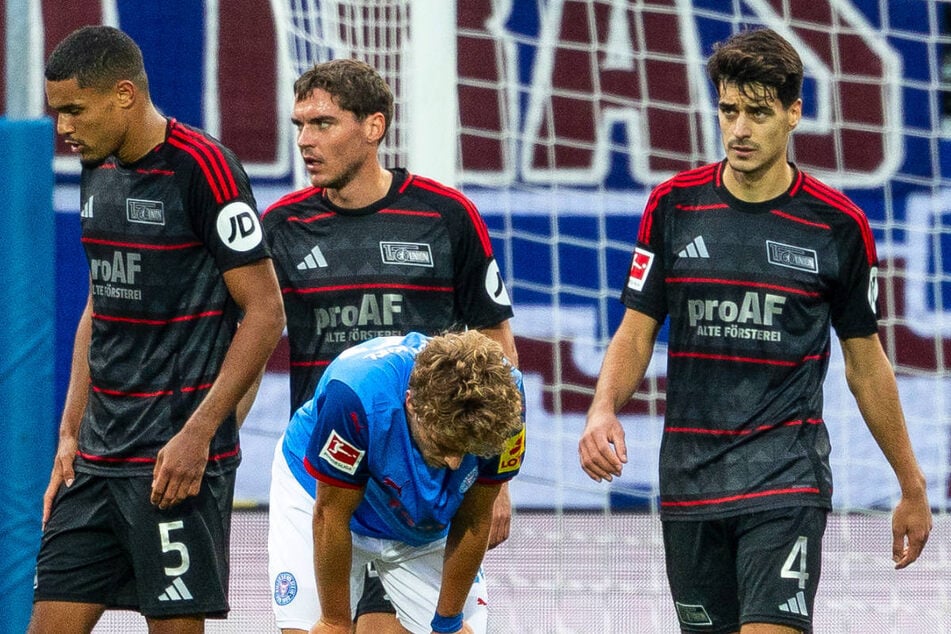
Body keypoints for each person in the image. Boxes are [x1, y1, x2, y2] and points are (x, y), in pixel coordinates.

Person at [578, 27, 932, 634]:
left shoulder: (837, 225)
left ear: (795, 114)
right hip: (689, 482)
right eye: (728, 110)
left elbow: (866, 362)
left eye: (758, 113)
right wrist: (602, 408)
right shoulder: (673, 206)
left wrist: (911, 483)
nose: (739, 129)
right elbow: (637, 329)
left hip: (785, 480)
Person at [31, 25, 285, 633]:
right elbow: (101, 306)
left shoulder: (206, 168)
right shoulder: (100, 164)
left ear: (123, 94)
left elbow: (266, 312)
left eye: (73, 109)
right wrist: (69, 433)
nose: (62, 128)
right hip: (94, 463)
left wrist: (199, 435)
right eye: (56, 112)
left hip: (174, 465)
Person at [260, 58, 518, 633]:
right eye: (299, 124)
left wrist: (496, 482)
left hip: (425, 472)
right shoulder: (278, 228)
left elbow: (494, 344)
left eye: (323, 124)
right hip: (329, 468)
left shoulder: (447, 216)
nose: (305, 140)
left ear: (373, 127)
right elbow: (250, 337)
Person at [298, 331, 524, 634]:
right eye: (445, 446)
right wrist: (335, 622)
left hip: (416, 513)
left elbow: (474, 517)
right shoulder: (354, 394)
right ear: (412, 405)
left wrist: (447, 623)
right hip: (319, 492)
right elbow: (330, 515)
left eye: (465, 451)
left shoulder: (508, 410)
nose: (454, 463)